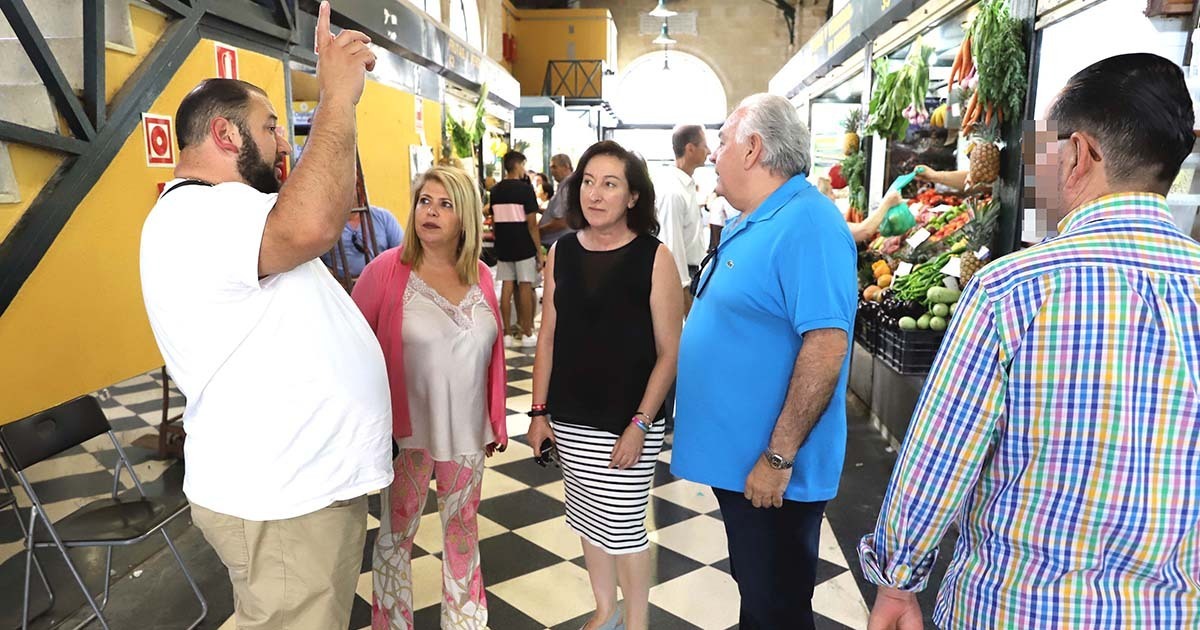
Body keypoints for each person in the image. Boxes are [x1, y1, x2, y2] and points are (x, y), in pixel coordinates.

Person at [861, 53, 1200, 630]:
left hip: (1016, 607)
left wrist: (898, 578)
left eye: (1044, 146)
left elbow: (939, 457)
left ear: (1078, 153)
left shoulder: (1013, 289)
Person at [139, 4, 389, 628]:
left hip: (295, 488)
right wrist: (335, 99)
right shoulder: (198, 213)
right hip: (283, 495)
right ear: (226, 135)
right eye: (271, 126)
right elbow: (312, 223)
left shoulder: (228, 211)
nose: (282, 141)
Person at [671, 93, 857, 629]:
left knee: (777, 608)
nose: (713, 155)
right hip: (742, 465)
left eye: (723, 142)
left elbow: (826, 346)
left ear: (753, 148)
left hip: (772, 474)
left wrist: (777, 458)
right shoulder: (758, 218)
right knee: (759, 596)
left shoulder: (809, 225)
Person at [527, 140, 684, 630]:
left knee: (624, 526)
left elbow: (670, 352)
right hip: (571, 413)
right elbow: (548, 337)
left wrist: (641, 423)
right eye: (588, 182)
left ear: (633, 196)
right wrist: (538, 412)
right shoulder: (562, 252)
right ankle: (605, 609)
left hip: (628, 418)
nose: (595, 194)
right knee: (587, 517)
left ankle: (636, 621)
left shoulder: (654, 257)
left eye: (610, 184)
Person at [352, 166, 508, 629]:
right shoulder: (386, 271)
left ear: (465, 217)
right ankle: (391, 623)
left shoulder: (481, 275)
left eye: (445, 204)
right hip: (408, 435)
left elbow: (492, 354)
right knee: (396, 535)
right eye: (425, 202)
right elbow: (353, 349)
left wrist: (495, 419)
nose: (431, 212)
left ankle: (465, 621)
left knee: (462, 530)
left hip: (467, 433)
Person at [487, 151, 543, 347]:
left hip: (504, 245)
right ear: (517, 165)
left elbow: (494, 222)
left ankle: (507, 335)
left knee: (507, 287)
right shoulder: (525, 190)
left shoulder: (495, 191)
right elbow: (532, 225)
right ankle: (527, 333)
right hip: (523, 245)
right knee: (525, 286)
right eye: (523, 165)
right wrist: (538, 251)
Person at [654, 125, 709, 289]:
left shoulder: (686, 185)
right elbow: (672, 247)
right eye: (705, 146)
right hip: (682, 278)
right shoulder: (673, 191)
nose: (709, 151)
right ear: (690, 149)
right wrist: (683, 291)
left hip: (693, 273)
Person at [320, 204, 404, 278]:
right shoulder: (324, 223)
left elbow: (402, 253)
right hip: (337, 286)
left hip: (380, 281)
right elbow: (315, 262)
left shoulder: (383, 217)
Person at [539, 153, 576, 247]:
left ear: (566, 167)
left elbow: (561, 222)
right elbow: (556, 213)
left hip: (559, 244)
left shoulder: (567, 188)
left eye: (554, 167)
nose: (552, 171)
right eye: (551, 167)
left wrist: (538, 231)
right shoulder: (567, 186)